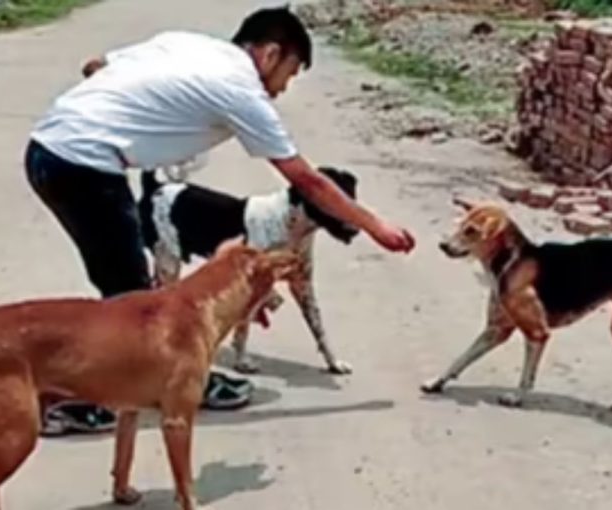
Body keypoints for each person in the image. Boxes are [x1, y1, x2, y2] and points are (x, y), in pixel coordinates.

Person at [24, 6, 415, 436]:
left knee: (127, 290)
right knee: (133, 304)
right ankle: (82, 400)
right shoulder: (241, 91)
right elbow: (305, 179)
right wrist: (376, 226)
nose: (284, 88)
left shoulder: (187, 43)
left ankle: (159, 379)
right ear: (269, 54)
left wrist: (133, 121)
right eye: (290, 72)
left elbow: (95, 66)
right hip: (84, 166)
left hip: (49, 148)